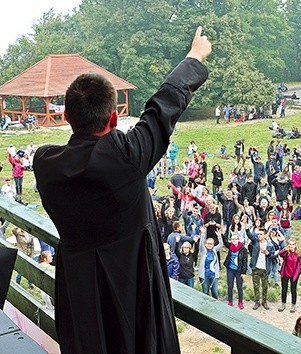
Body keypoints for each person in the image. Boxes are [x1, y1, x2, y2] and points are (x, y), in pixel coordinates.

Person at [32, 27, 211, 353]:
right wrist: (194, 57)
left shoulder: (45, 164)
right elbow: (162, 109)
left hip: (79, 293)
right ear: (114, 119)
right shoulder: (127, 157)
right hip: (135, 292)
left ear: (67, 117)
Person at [223, 231, 248, 309]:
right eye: (232, 239)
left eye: (235, 239)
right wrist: (222, 234)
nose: (234, 240)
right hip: (230, 269)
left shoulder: (243, 249)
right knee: (230, 286)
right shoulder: (230, 246)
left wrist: (243, 272)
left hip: (239, 270)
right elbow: (224, 242)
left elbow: (245, 261)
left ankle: (240, 302)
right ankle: (230, 301)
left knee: (239, 287)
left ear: (238, 239)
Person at [278, 238, 301, 313]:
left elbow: (300, 266)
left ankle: (293, 305)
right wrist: (285, 249)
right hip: (285, 273)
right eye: (290, 244)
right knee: (284, 289)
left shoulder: (298, 254)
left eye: (293, 244)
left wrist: (296, 276)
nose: (291, 246)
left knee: (293, 290)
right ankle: (283, 304)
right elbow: (279, 254)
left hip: (293, 275)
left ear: (295, 245)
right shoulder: (286, 252)